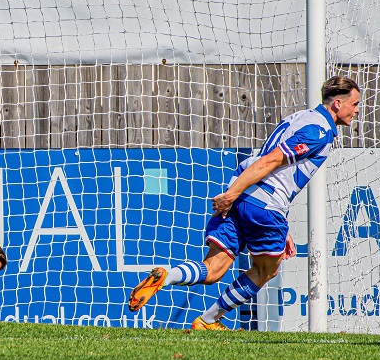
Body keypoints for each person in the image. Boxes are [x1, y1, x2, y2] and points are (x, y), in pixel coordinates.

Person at [128, 76, 361, 330]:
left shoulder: (300, 116)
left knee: (213, 269)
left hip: (245, 195)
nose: (358, 110)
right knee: (266, 271)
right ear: (337, 103)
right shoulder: (320, 131)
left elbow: (273, 169)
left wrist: (237, 194)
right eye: (355, 104)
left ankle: (167, 276)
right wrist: (232, 196)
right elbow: (270, 162)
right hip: (261, 203)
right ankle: (208, 320)